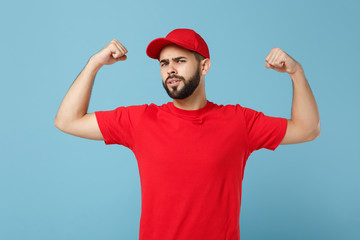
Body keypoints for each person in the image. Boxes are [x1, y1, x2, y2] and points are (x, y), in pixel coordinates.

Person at [54, 28, 320, 240]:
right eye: (164, 63)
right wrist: (93, 64)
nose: (170, 69)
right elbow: (67, 121)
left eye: (180, 61)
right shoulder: (140, 120)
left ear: (204, 67)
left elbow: (307, 129)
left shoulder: (239, 121)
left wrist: (296, 73)